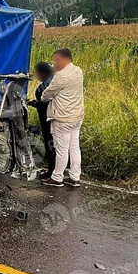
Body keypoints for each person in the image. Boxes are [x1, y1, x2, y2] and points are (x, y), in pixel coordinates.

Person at [40, 48, 84, 187]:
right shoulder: (78, 71)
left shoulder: (61, 76)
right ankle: (74, 177)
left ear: (64, 59)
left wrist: (42, 98)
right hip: (77, 117)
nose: (55, 63)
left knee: (61, 149)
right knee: (74, 147)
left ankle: (57, 177)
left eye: (57, 60)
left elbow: (46, 95)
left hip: (62, 118)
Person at [27, 62, 56, 180]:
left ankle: (52, 171)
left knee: (51, 144)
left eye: (37, 72)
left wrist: (33, 103)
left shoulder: (47, 84)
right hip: (49, 117)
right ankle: (55, 169)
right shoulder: (51, 80)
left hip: (48, 118)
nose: (36, 75)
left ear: (42, 73)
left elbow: (45, 102)